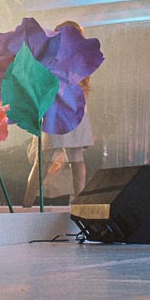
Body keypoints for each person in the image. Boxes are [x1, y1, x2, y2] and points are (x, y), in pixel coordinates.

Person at [25, 20, 94, 204]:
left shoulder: (77, 54)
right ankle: (27, 203)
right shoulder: (52, 53)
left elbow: (83, 83)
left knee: (74, 159)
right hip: (56, 107)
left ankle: (78, 203)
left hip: (72, 108)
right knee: (45, 159)